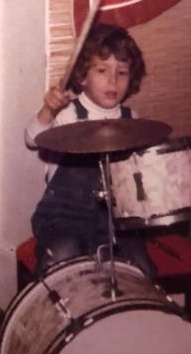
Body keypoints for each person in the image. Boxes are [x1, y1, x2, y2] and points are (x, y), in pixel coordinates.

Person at [25, 23, 156, 277]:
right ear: (83, 76)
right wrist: (48, 111)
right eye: (102, 70)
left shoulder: (132, 121)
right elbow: (31, 139)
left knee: (141, 266)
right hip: (64, 217)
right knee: (64, 254)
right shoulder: (69, 114)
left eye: (122, 72)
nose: (112, 80)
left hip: (115, 221)